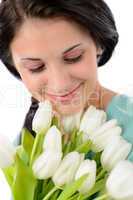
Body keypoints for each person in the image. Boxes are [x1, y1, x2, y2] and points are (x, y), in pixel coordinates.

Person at [0, 0, 133, 160]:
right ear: (14, 66)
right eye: (36, 67)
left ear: (98, 44)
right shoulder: (23, 148)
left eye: (73, 57)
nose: (60, 84)